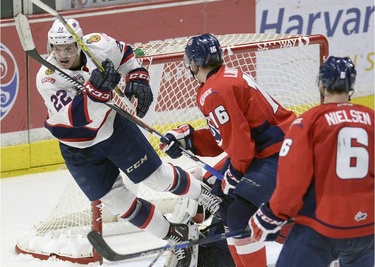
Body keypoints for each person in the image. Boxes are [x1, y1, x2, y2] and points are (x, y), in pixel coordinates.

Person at [36, 18, 222, 267]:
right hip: (78, 148)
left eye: (68, 48)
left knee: (157, 179)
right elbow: (76, 118)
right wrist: (95, 90)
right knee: (118, 202)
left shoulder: (98, 45)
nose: (62, 55)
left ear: (79, 44)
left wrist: (138, 79)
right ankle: (176, 236)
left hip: (113, 131)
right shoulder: (47, 78)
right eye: (56, 48)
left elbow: (126, 56)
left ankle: (210, 197)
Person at [159, 33, 297, 266]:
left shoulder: (215, 91)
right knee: (226, 206)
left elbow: (242, 147)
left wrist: (234, 173)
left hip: (281, 153)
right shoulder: (222, 81)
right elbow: (231, 137)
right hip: (270, 151)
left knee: (239, 214)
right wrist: (190, 140)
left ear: (193, 63)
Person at [248, 56, 374, 267]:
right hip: (368, 229)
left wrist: (271, 214)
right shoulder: (371, 118)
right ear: (350, 86)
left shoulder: (308, 122)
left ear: (321, 84)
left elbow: (293, 181)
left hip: (323, 228)